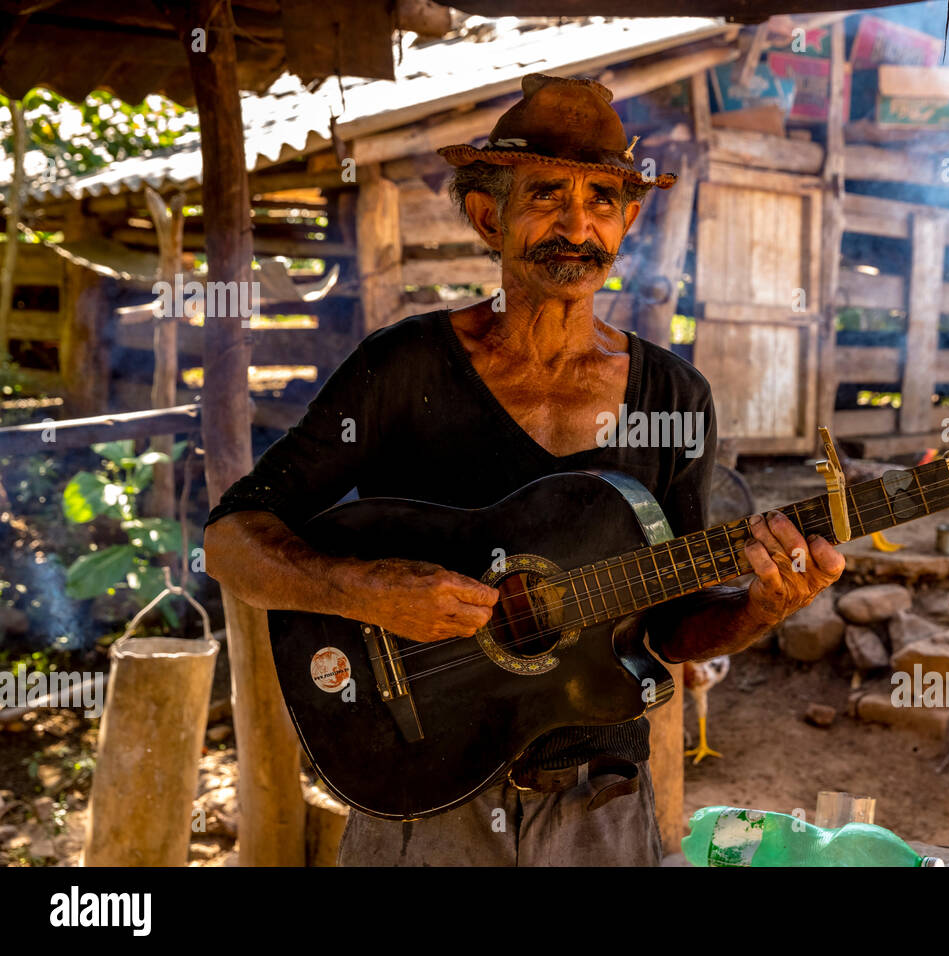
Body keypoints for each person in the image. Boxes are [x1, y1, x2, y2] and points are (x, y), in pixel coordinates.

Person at [202, 73, 845, 866]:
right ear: (486, 215)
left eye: (603, 201)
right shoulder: (404, 368)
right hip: (422, 793)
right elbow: (231, 539)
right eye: (546, 194)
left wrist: (760, 609)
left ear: (628, 221)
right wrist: (362, 591)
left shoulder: (674, 395)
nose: (578, 227)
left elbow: (673, 627)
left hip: (597, 804)